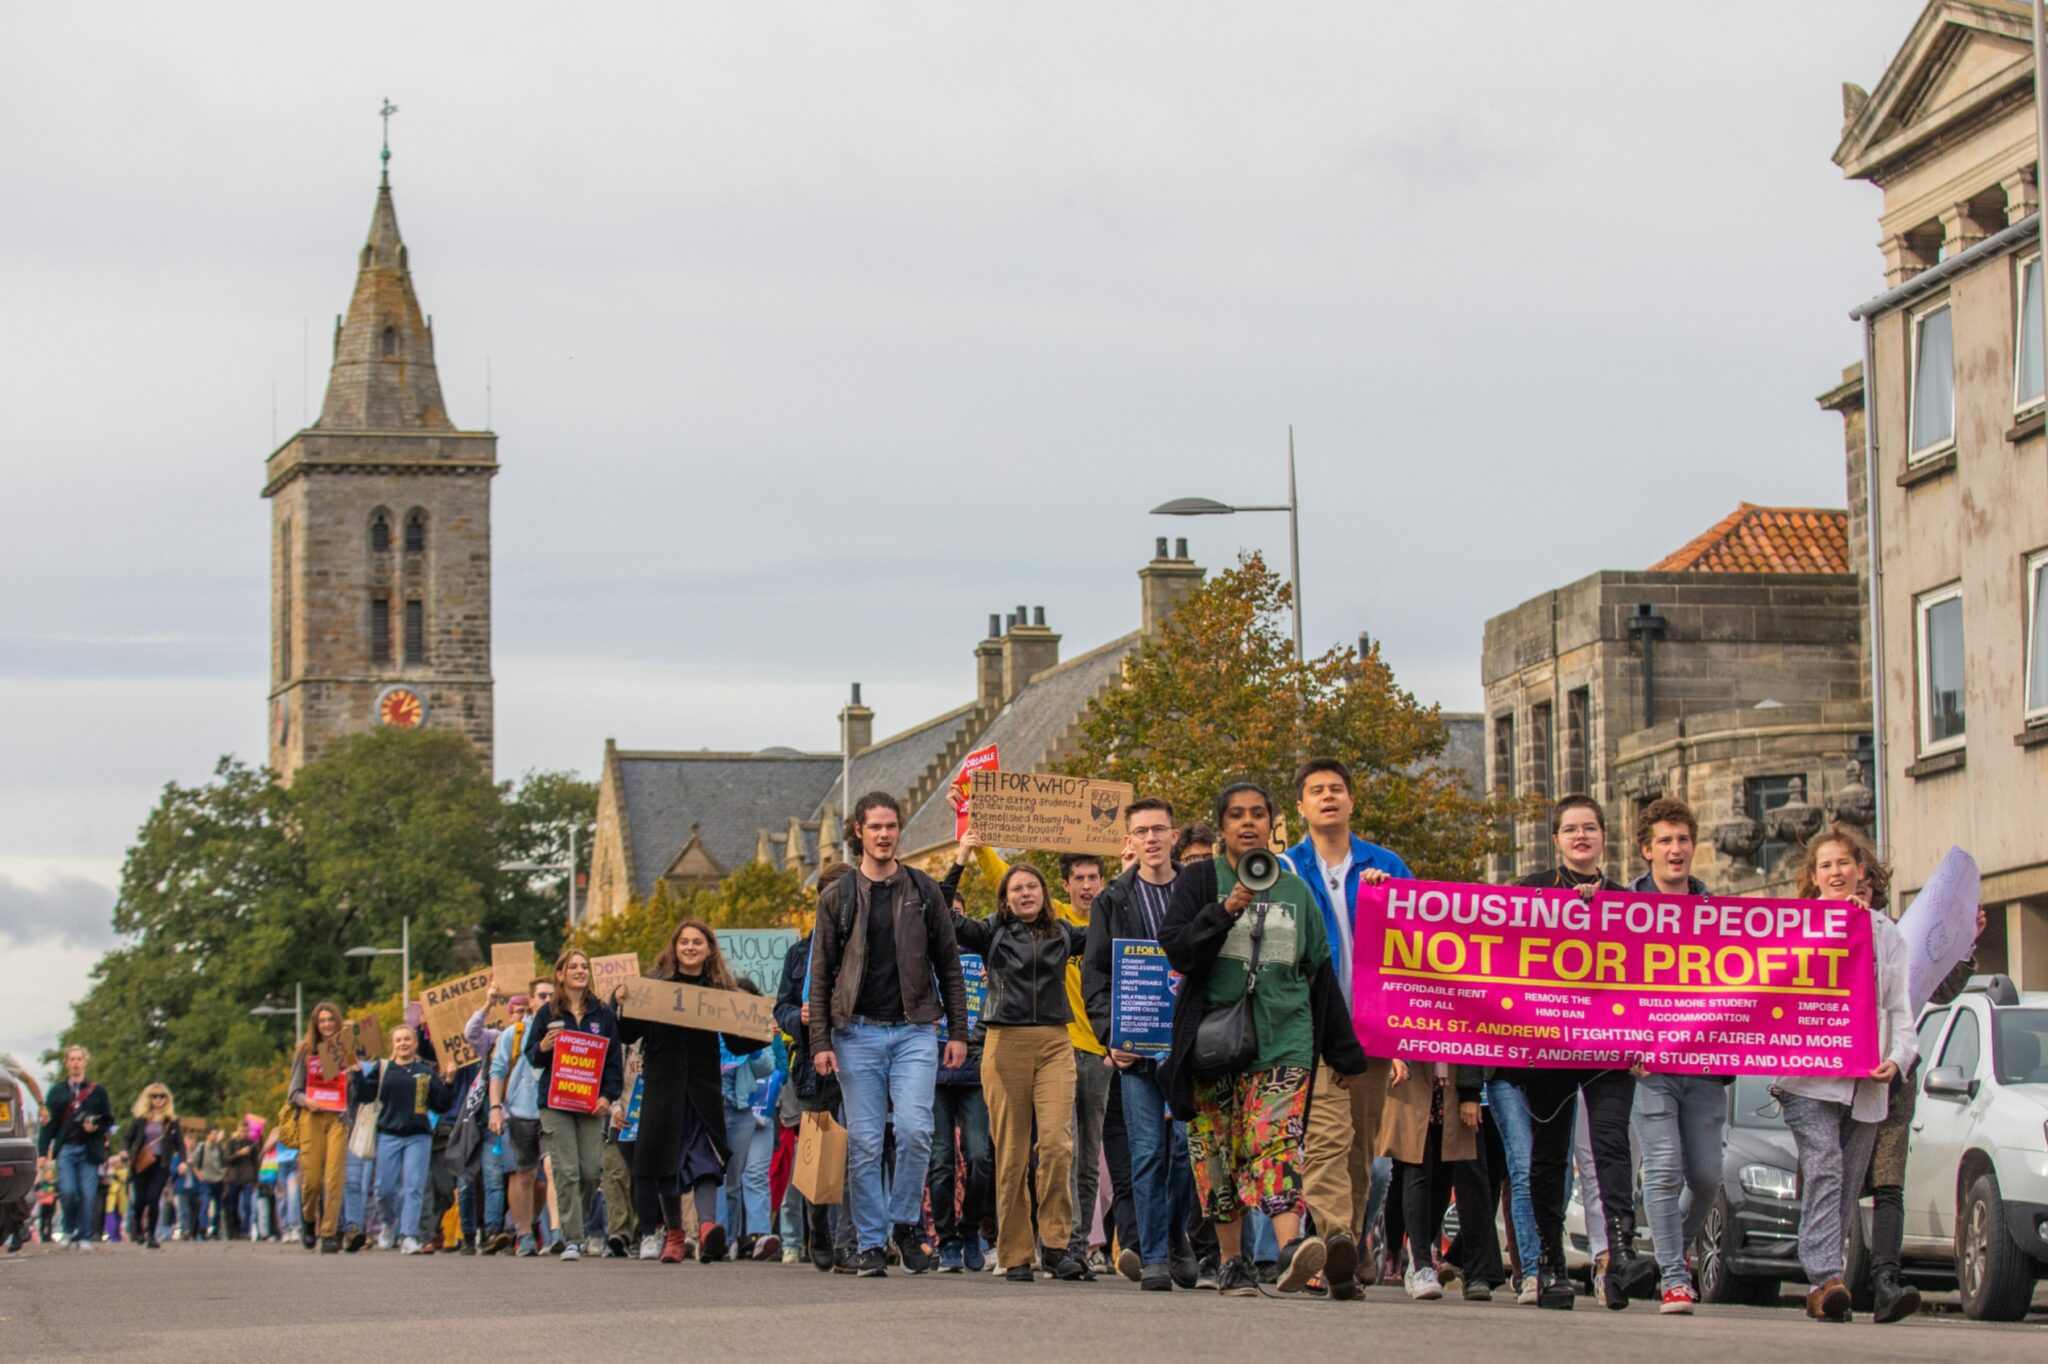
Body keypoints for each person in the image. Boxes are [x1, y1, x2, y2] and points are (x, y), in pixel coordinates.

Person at [1160, 782, 1370, 1299]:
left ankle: (1290, 1251)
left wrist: (1341, 1050)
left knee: (1273, 1139)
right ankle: (1232, 1262)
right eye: (1236, 816)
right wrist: (1227, 908)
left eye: (1257, 814)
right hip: (1213, 1042)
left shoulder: (1297, 891)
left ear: (1273, 824)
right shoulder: (1198, 881)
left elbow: (1319, 974)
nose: (1247, 823)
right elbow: (1178, 952)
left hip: (1285, 1038)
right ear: (1223, 826)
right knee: (1215, 1152)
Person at [806, 791, 970, 1278]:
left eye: (891, 826)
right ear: (858, 830)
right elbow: (820, 975)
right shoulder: (836, 897)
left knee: (918, 1130)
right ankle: (872, 1243)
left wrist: (957, 1031)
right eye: (875, 826)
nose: (884, 834)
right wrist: (820, 1042)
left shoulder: (923, 891)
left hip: (916, 1030)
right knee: (864, 1142)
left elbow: (949, 964)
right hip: (856, 1034)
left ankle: (903, 1225)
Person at [1503, 794, 1649, 1310]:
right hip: (1549, 1043)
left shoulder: (1631, 905)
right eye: (1571, 829)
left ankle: (1620, 1254)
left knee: (1611, 1143)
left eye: (1589, 828)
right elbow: (1480, 932)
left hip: (1610, 1045)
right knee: (1550, 1154)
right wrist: (1390, 893)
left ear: (1604, 837)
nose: (1581, 837)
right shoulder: (1530, 891)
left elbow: (1657, 974)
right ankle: (1549, 1264)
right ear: (1557, 839)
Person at [1776, 825, 1915, 1323]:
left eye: (1844, 864)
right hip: (1806, 1081)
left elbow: (1902, 1010)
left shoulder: (1886, 933)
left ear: (1861, 871)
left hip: (1866, 1084)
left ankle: (1824, 1283)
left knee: (1846, 1180)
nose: (1836, 872)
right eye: (1826, 865)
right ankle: (1824, 1275)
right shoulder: (1793, 926)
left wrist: (1897, 1059)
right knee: (1826, 1167)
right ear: (1813, 878)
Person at [1282, 757, 1409, 1300]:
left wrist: (1392, 899)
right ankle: (1334, 1237)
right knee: (1326, 1140)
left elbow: (1423, 944)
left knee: (1361, 1151)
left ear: (1352, 801)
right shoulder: (1286, 870)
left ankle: (1347, 1249)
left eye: (1337, 789)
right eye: (1317, 790)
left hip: (1375, 1030)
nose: (1328, 797)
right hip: (1316, 1027)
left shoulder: (1388, 865)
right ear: (1302, 806)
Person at [962, 829, 1115, 1274]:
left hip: (1054, 1043)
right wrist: (961, 857)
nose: (1025, 892)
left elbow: (1109, 923)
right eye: (1016, 888)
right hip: (1004, 1042)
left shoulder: (1065, 933)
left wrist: (1124, 870)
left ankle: (1057, 1245)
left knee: (1056, 1145)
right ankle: (1015, 1254)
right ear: (1006, 899)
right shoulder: (991, 933)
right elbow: (943, 918)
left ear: (1045, 894)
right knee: (1010, 1154)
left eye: (1032, 886)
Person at [1083, 796, 1207, 1292]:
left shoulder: (1198, 891)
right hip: (1135, 1049)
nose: (1152, 838)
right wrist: (1111, 1038)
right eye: (1142, 831)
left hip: (1188, 1046)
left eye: (1160, 829)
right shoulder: (1113, 899)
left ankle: (1175, 1234)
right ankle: (1154, 1255)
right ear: (1128, 842)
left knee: (1183, 1151)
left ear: (1174, 837)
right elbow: (1096, 975)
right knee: (1147, 1153)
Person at [1622, 797, 1728, 1315]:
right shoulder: (1621, 909)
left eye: (1683, 839)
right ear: (1647, 850)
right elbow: (1600, 982)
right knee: (1662, 1170)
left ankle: (1671, 1247)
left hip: (1704, 1066)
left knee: (1707, 1176)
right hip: (1650, 1068)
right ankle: (1672, 1278)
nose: (1676, 849)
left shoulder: (1718, 912)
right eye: (1664, 840)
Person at [614, 919, 770, 1264]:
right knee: (664, 1160)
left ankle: (707, 1229)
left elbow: (737, 1040)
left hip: (702, 1086)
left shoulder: (721, 990)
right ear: (674, 947)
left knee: (705, 1157)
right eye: (684, 942)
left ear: (709, 949)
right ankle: (674, 1235)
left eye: (697, 942)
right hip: (662, 1087)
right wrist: (621, 1003)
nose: (689, 947)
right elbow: (627, 1033)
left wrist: (762, 1029)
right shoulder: (653, 984)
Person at [1865, 903, 1985, 1321]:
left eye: (1862, 881)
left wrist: (1965, 944)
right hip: (1838, 1079)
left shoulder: (1897, 934)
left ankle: (1886, 1283)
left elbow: (1935, 986)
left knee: (1888, 1183)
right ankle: (1829, 1280)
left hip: (1895, 1079)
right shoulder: (1812, 928)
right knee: (1839, 1181)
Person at [776, 864, 857, 1272]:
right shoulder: (800, 954)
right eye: (830, 895)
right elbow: (782, 1007)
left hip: (862, 1057)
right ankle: (819, 1228)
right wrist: (800, 1017)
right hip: (813, 1062)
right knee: (820, 1151)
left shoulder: (868, 946)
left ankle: (853, 1237)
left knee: (859, 1150)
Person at [523, 948, 626, 1262]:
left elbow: (613, 1061)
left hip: (592, 1104)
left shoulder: (603, 1014)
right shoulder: (547, 1013)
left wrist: (608, 1096)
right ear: (560, 974)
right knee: (566, 1171)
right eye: (574, 967)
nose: (581, 971)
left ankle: (574, 1224)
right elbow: (532, 1056)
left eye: (584, 966)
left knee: (590, 1170)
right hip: (556, 1102)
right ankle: (572, 1238)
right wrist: (542, 1046)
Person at [926, 869, 992, 1275]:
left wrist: (993, 982)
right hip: (931, 1072)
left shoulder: (984, 958)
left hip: (974, 1071)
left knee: (981, 1156)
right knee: (940, 1159)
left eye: (957, 914)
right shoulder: (921, 958)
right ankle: (947, 1240)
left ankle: (970, 1230)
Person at [1379, 1057, 1489, 1299]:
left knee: (1443, 1175)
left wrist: (1471, 1092)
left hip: (1451, 1082)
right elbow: (1389, 1018)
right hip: (1410, 1078)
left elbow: (1470, 1031)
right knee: (1415, 1166)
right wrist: (1395, 1053)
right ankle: (1420, 1264)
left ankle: (1414, 1253)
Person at [351, 1024, 455, 1254]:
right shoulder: (382, 1069)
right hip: (388, 1134)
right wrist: (357, 1074)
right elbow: (365, 1096)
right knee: (384, 1189)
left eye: (407, 1039)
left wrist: (448, 1082)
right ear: (393, 1044)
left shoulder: (426, 1071)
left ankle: (409, 1235)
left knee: (414, 1188)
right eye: (398, 1040)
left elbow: (441, 1104)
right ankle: (388, 1223)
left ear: (415, 1042)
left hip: (418, 1136)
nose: (403, 1043)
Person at [488, 975, 554, 1255]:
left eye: (553, 996)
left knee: (549, 1175)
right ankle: (524, 1232)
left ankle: (548, 1226)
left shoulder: (564, 1031)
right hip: (519, 1111)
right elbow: (498, 1071)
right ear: (531, 1000)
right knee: (523, 1174)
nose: (548, 1001)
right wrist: (495, 1109)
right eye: (542, 996)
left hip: (552, 1111)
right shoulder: (513, 1034)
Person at [286, 1000, 356, 1253]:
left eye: (330, 1020)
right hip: (311, 1116)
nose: (327, 1024)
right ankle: (308, 1219)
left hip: (338, 1119)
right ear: (316, 1025)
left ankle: (328, 1233)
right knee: (312, 1180)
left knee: (334, 1177)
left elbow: (358, 1092)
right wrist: (307, 1101)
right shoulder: (305, 1051)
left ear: (337, 1022)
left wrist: (355, 1072)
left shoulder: (347, 1050)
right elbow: (293, 1092)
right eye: (322, 1021)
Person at [37, 1046, 113, 1250]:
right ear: (66, 1063)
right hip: (66, 1149)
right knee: (68, 1192)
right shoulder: (57, 1092)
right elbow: (48, 1124)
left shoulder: (98, 1091)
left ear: (85, 1062)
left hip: (89, 1148)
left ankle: (84, 1235)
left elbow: (108, 1120)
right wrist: (42, 1152)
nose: (76, 1063)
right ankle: (68, 1229)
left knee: (88, 1195)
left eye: (79, 1059)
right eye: (72, 1059)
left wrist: (95, 1126)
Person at [719, 1001, 779, 1259]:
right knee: (716, 1178)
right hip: (712, 1108)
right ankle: (719, 1236)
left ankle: (736, 1238)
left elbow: (769, 1067)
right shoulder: (713, 1026)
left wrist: (754, 1046)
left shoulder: (758, 1030)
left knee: (734, 1179)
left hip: (742, 1109)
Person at [120, 1083, 183, 1249]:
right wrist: (125, 1151)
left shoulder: (171, 1121)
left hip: (161, 1163)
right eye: (154, 1096)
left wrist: (183, 1162)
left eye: (162, 1096)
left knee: (153, 1197)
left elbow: (180, 1144)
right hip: (141, 1163)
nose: (158, 1100)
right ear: (148, 1099)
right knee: (140, 1199)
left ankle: (152, 1235)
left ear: (167, 1099)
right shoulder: (140, 1119)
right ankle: (138, 1228)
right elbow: (127, 1138)